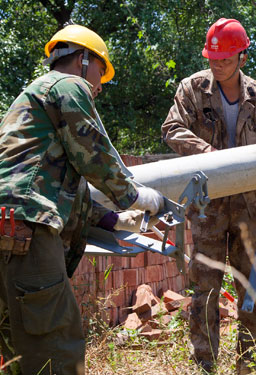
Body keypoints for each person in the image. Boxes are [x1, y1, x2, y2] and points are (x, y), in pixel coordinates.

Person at [0, 24, 164, 375]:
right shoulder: (68, 85)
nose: (100, 85)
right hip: (28, 233)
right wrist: (136, 196)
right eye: (100, 72)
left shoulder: (29, 105)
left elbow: (55, 184)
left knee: (15, 348)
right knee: (55, 346)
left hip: (9, 230)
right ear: (82, 59)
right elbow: (94, 154)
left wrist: (110, 220)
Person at [161, 18, 256, 374]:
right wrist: (207, 153)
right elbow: (171, 128)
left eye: (225, 59)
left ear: (242, 57)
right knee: (205, 290)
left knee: (251, 286)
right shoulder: (192, 88)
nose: (217, 64)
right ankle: (205, 364)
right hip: (207, 206)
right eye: (213, 59)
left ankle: (250, 363)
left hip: (249, 206)